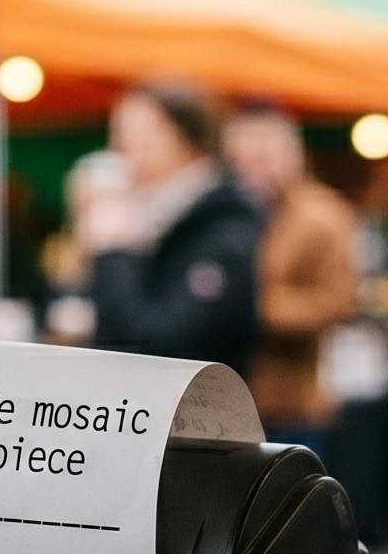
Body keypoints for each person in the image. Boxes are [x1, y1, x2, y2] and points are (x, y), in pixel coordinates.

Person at [77, 82, 260, 373]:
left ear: (190, 141)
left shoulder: (221, 228)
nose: (121, 149)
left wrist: (114, 251)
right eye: (119, 134)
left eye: (141, 136)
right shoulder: (151, 218)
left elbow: (158, 345)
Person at [224, 101, 363, 448]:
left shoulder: (323, 217)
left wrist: (252, 306)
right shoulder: (228, 214)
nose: (251, 170)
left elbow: (339, 302)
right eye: (241, 160)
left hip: (289, 403)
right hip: (226, 401)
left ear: (292, 154)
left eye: (262, 157)